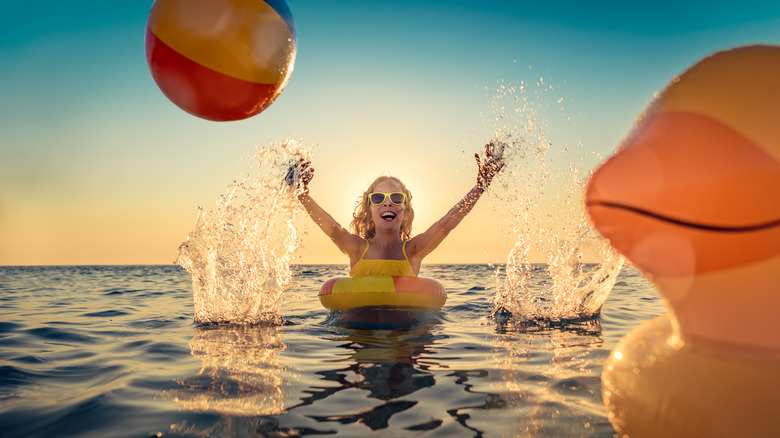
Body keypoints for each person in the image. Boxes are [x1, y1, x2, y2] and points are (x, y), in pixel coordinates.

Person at [286, 142, 505, 276]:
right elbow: (333, 229)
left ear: (406, 211)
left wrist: (480, 187)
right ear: (369, 210)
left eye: (396, 198)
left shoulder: (413, 251)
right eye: (379, 197)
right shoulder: (356, 248)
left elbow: (446, 224)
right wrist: (302, 195)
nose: (387, 203)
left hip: (405, 337)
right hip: (361, 335)